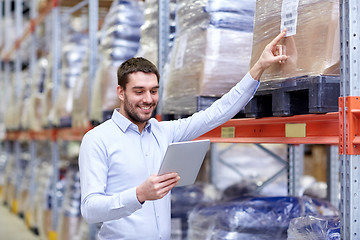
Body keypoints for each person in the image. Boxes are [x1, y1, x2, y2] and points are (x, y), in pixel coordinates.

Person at [79, 29, 288, 240]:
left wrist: (259, 67)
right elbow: (90, 209)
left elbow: (216, 113)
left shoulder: (164, 132)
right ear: (121, 92)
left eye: (154, 91)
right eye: (139, 91)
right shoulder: (97, 139)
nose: (148, 99)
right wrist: (139, 194)